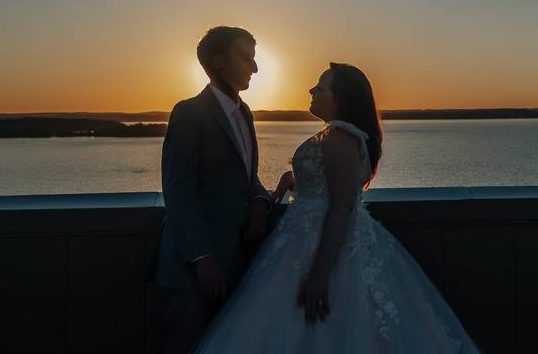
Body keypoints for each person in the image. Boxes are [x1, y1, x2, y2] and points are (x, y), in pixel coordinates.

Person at [195, 62, 479, 352]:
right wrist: (292, 180)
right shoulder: (333, 135)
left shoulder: (341, 137)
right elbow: (326, 182)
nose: (312, 90)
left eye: (320, 87)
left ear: (339, 97)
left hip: (325, 244)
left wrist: (319, 275)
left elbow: (341, 207)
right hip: (308, 233)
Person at [156, 26, 275, 354]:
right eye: (246, 58)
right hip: (192, 272)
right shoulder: (189, 112)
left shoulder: (246, 113)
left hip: (237, 263)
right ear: (219, 61)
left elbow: (247, 176)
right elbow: (178, 190)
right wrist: (202, 258)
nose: (254, 67)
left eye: (254, 58)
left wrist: (262, 201)